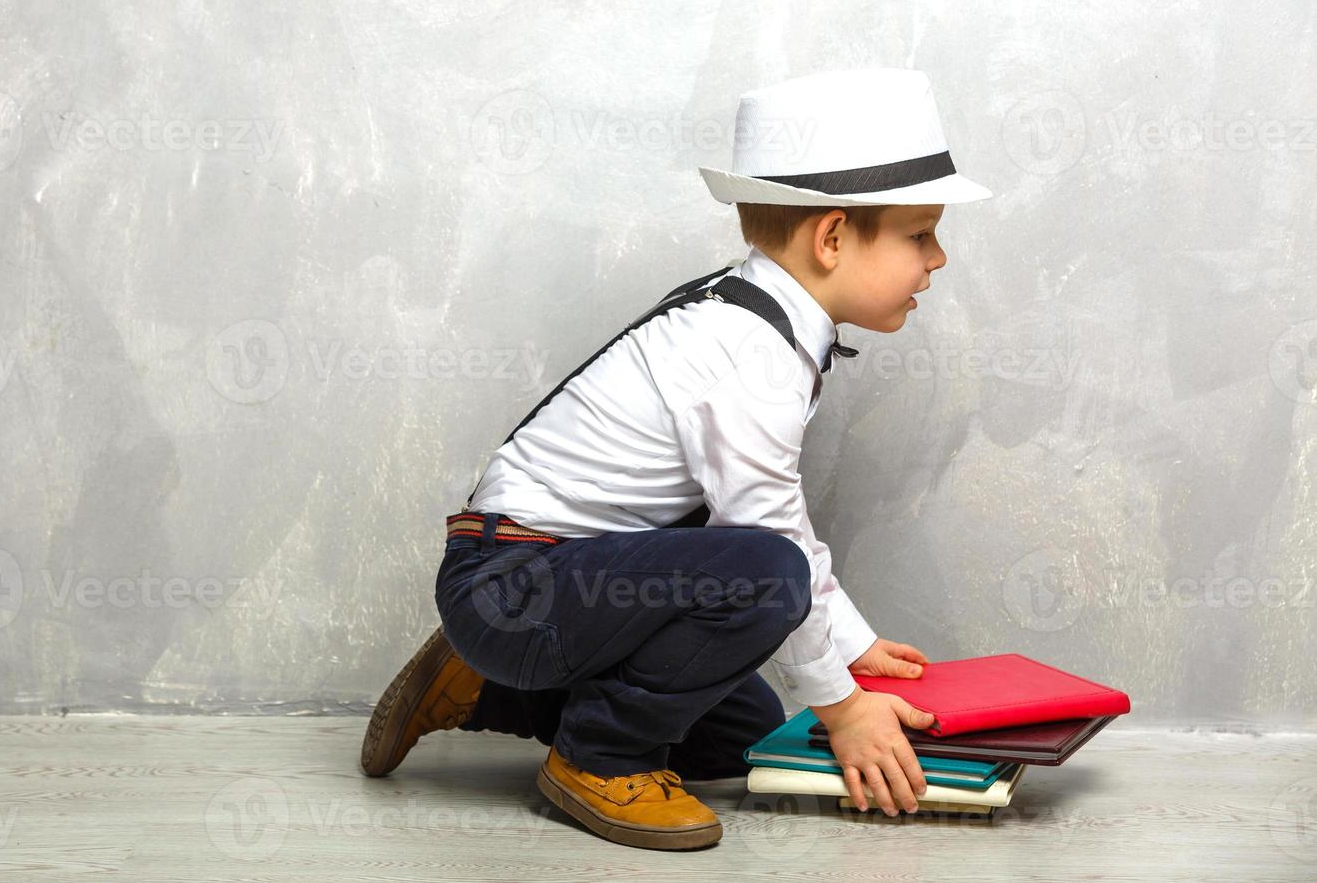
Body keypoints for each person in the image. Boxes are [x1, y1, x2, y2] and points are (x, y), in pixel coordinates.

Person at [360, 67, 994, 850]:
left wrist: (854, 651)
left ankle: (493, 690)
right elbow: (773, 543)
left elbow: (777, 529)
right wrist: (845, 707)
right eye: (920, 233)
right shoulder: (745, 351)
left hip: (568, 580)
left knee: (739, 737)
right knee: (768, 575)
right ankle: (597, 761)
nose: (936, 259)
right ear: (831, 238)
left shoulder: (766, 323)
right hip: (515, 585)